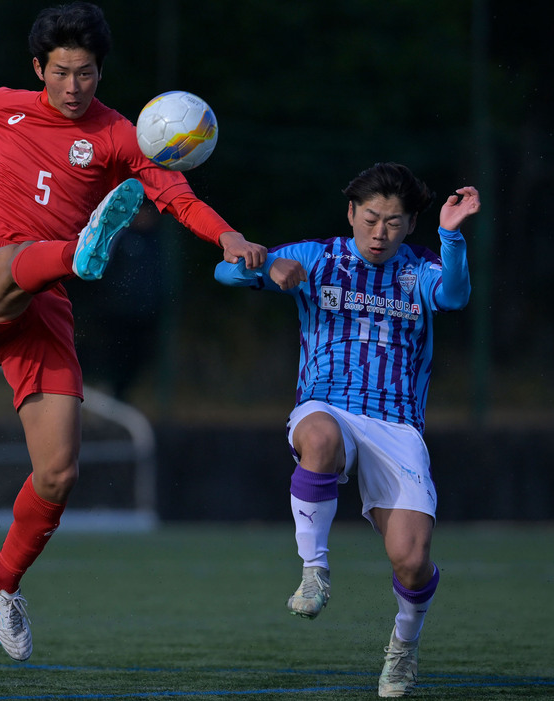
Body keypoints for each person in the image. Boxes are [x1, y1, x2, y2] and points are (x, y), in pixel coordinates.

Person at [0, 1, 266, 662]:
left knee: (59, 471)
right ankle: (79, 252)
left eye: (86, 74)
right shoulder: (1, 103)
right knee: (6, 269)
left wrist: (227, 235)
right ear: (38, 68)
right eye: (61, 73)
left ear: (100, 72)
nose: (73, 87)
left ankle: (1, 580)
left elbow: (176, 196)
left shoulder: (123, 136)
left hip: (45, 307)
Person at [214, 162, 479, 697]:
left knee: (411, 557)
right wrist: (263, 270)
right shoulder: (318, 256)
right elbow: (225, 272)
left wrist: (451, 236)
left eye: (395, 222)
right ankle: (314, 570)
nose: (380, 232)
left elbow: (454, 297)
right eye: (372, 218)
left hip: (397, 423)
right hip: (327, 404)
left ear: (409, 226)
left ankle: (403, 648)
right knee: (319, 440)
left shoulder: (423, 268)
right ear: (352, 213)